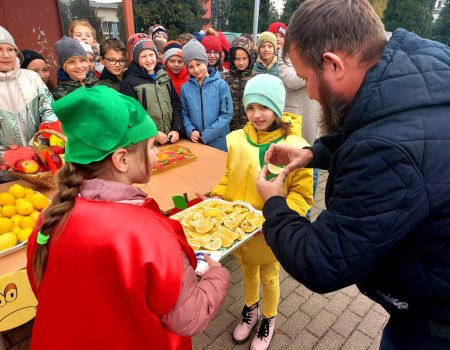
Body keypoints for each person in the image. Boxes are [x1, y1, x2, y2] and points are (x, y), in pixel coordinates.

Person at [256, 0, 450, 348]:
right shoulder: (421, 70)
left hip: (433, 324)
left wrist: (274, 205)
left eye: (306, 78)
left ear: (333, 65)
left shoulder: (387, 152)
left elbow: (323, 260)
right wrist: (313, 152)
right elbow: (380, 126)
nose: (311, 94)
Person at [27, 85, 231, 349]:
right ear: (122, 160)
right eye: (151, 147)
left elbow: (43, 286)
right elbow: (188, 318)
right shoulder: (149, 234)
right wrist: (217, 276)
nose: (157, 153)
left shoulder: (49, 219)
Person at [210, 74, 313, 350]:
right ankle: (250, 308)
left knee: (269, 276)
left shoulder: (296, 148)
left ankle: (269, 317)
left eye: (264, 107)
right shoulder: (235, 140)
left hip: (271, 232)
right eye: (251, 107)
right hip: (240, 233)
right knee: (247, 272)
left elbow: (302, 196)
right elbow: (227, 175)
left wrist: (278, 219)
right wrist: (216, 197)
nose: (256, 115)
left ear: (277, 109)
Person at [0, 26, 57, 183]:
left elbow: (49, 110)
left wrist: (39, 143)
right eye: (0, 49)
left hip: (39, 161)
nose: (5, 55)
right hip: (4, 169)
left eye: (10, 49)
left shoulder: (32, 78)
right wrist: (7, 156)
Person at [121, 37, 181, 145]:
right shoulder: (129, 81)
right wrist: (153, 133)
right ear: (136, 58)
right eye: (143, 56)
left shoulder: (164, 75)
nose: (149, 60)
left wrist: (176, 128)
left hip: (170, 138)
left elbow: (175, 103)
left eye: (151, 55)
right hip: (147, 142)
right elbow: (131, 117)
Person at [180, 39, 233, 151]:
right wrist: (191, 130)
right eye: (190, 67)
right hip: (196, 142)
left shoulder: (221, 85)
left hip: (219, 143)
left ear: (205, 61)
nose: (196, 70)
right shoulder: (185, 88)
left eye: (198, 64)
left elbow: (226, 114)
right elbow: (184, 114)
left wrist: (206, 135)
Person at [222, 36, 256, 131]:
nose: (241, 63)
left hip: (251, 128)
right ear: (232, 59)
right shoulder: (224, 78)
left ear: (250, 58)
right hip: (228, 128)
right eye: (237, 59)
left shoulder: (257, 79)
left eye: (244, 58)